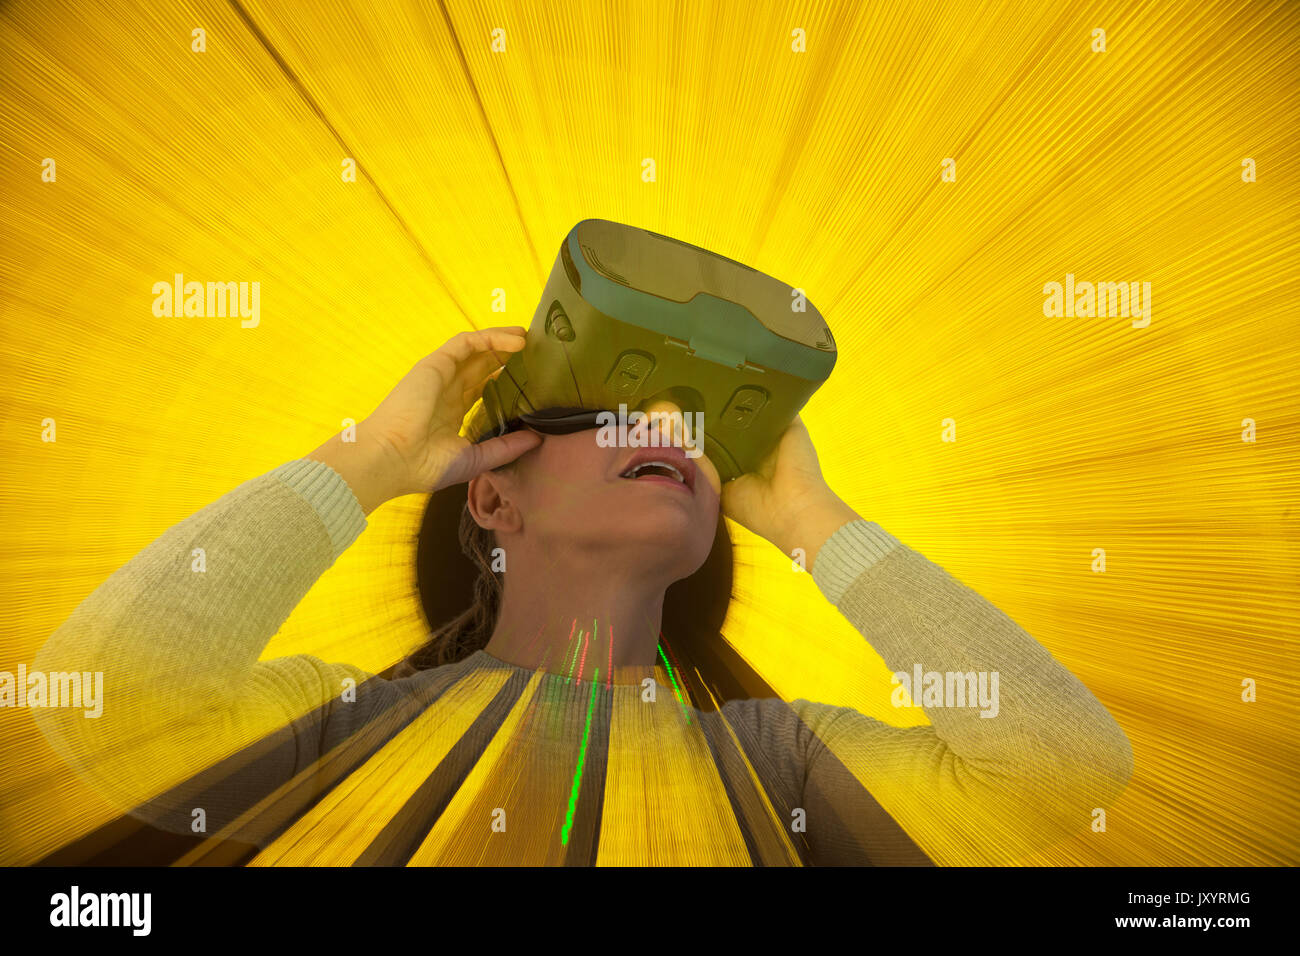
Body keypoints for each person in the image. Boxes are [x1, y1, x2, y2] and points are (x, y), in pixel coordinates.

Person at [32, 326, 1134, 866]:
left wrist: (813, 518)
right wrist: (370, 456)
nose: (665, 432)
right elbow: (106, 696)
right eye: (608, 412)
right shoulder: (347, 728)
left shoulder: (779, 763)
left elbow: (1060, 771)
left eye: (692, 430)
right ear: (493, 502)